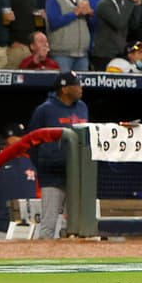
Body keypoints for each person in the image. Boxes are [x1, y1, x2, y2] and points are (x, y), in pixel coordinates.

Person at [27, 70, 89, 239]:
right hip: (52, 174)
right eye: (77, 85)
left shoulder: (83, 108)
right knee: (48, 224)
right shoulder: (45, 110)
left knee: (76, 225)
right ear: (65, 89)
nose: (81, 88)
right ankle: (44, 262)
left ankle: (73, 259)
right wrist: (44, 164)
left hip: (77, 175)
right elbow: (32, 142)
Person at [91, 0, 141, 72]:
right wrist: (130, 2)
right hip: (104, 54)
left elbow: (133, 25)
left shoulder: (122, 1)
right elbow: (119, 23)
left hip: (119, 52)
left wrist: (136, 6)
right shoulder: (104, 3)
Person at [45, 0, 94, 72]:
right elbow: (53, 22)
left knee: (80, 87)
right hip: (62, 54)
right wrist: (75, 13)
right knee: (63, 86)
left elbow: (90, 24)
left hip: (82, 54)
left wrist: (90, 14)